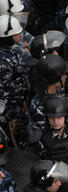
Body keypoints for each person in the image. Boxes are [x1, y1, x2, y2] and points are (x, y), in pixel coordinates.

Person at [0, 14, 30, 148]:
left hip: (20, 102)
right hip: (10, 110)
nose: (20, 35)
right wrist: (13, 115)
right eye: (16, 33)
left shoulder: (14, 48)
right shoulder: (3, 61)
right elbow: (7, 91)